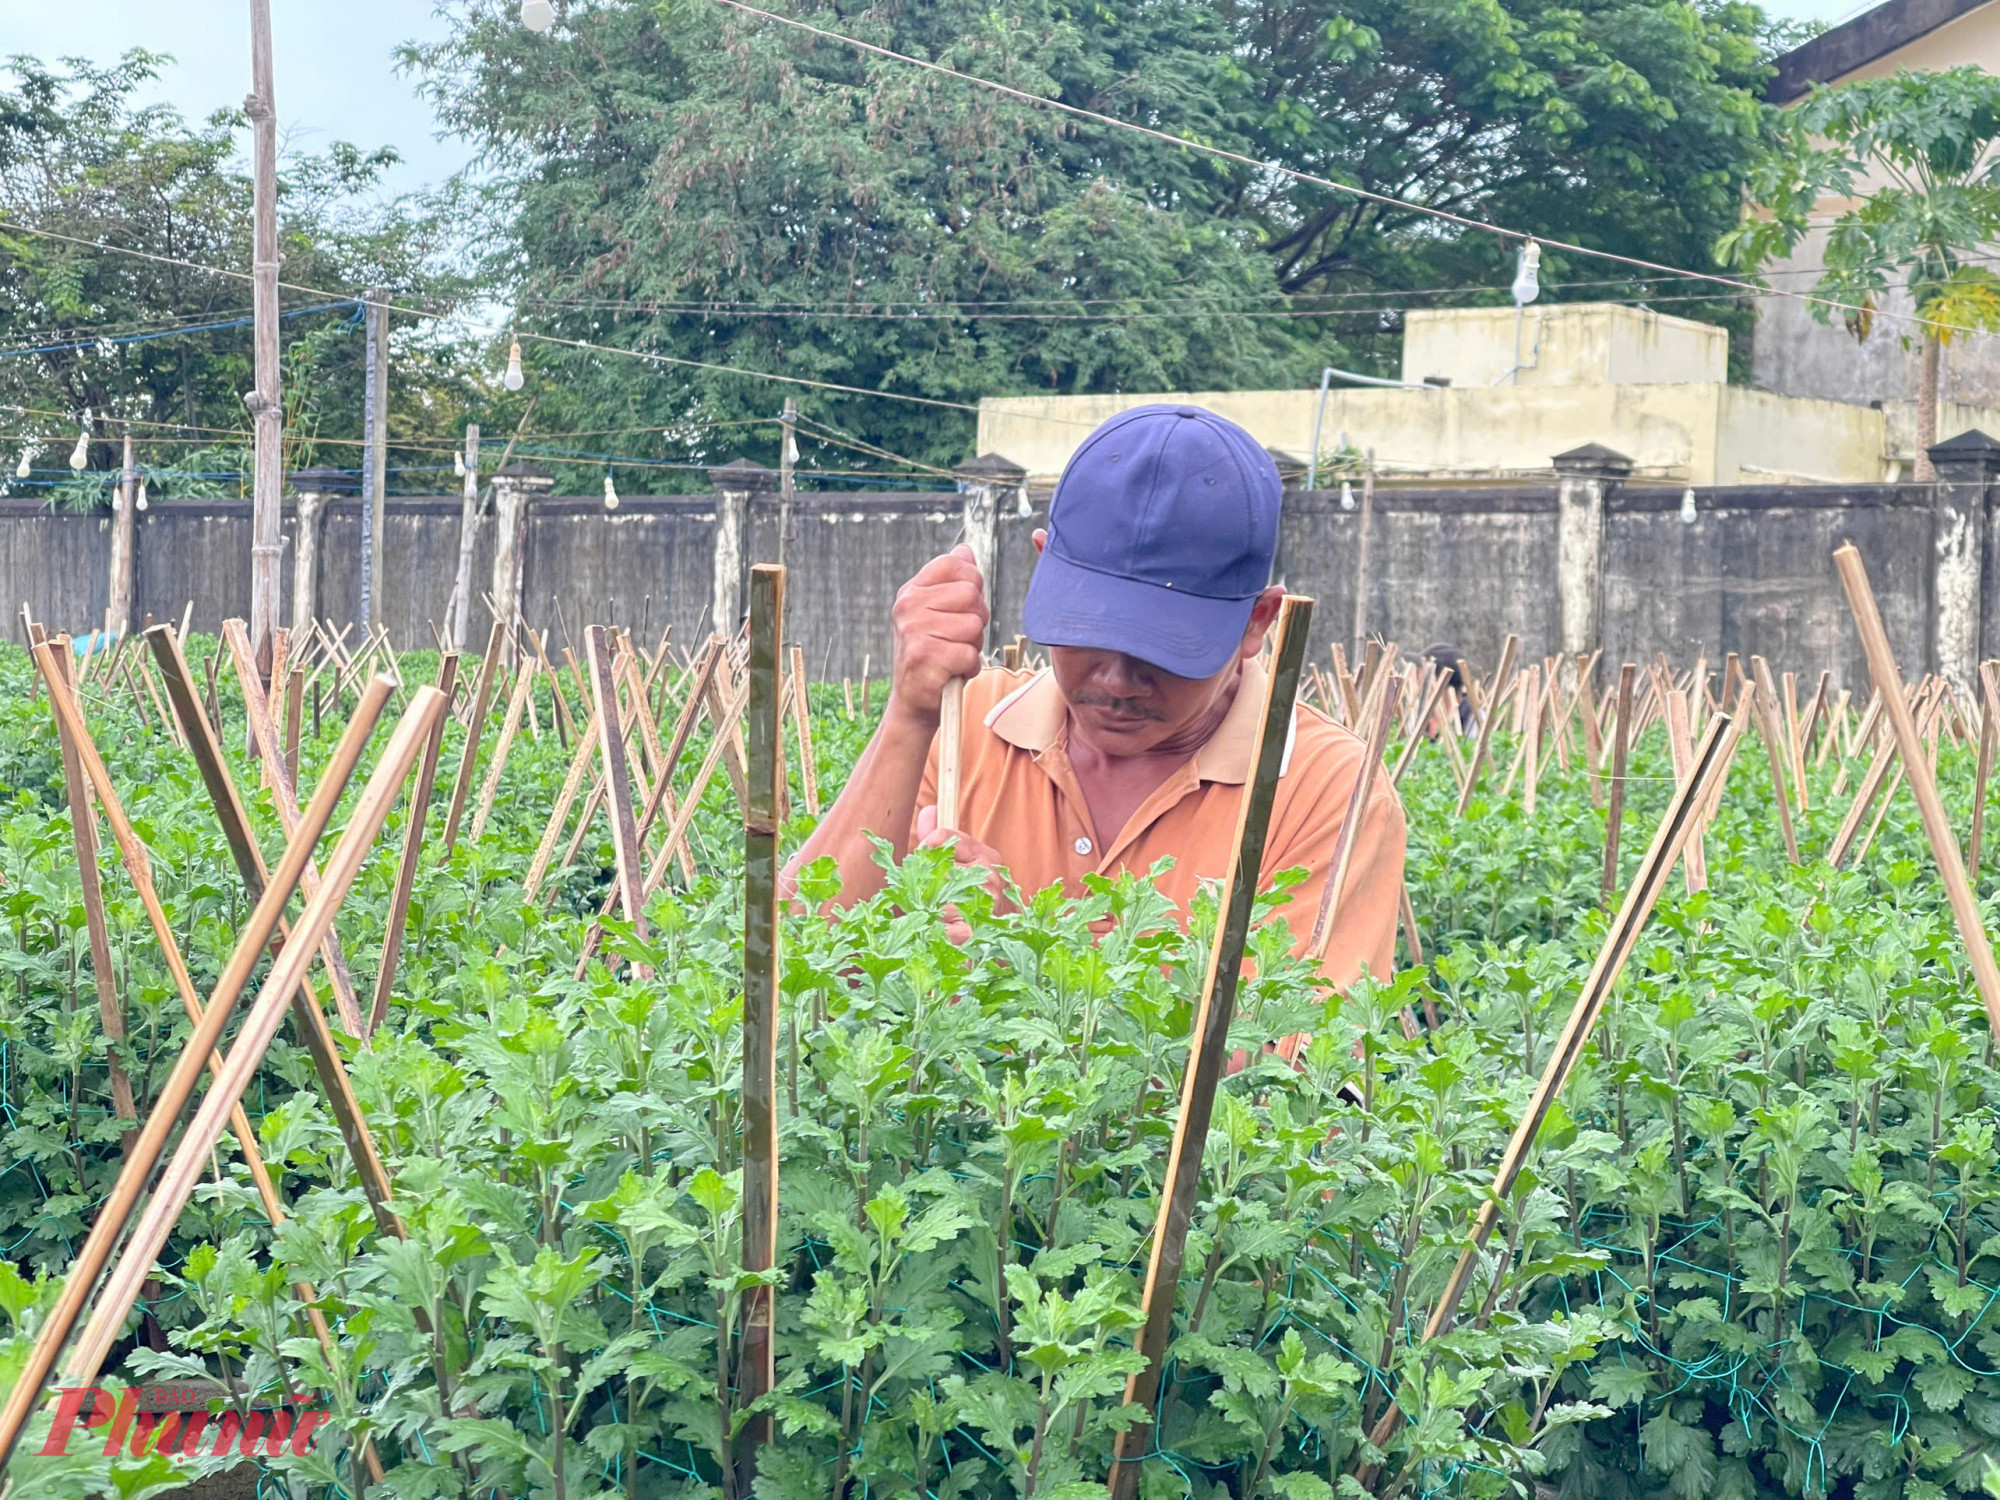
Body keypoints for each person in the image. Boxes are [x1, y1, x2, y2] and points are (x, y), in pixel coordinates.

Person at [784, 403, 1406, 1018]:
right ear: (1041, 566)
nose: (1115, 680)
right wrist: (911, 714)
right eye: (1085, 629)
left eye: (1163, 648)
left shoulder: (1326, 793)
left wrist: (1032, 959)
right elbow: (791, 971)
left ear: (1257, 621)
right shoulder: (966, 726)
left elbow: (1304, 1082)